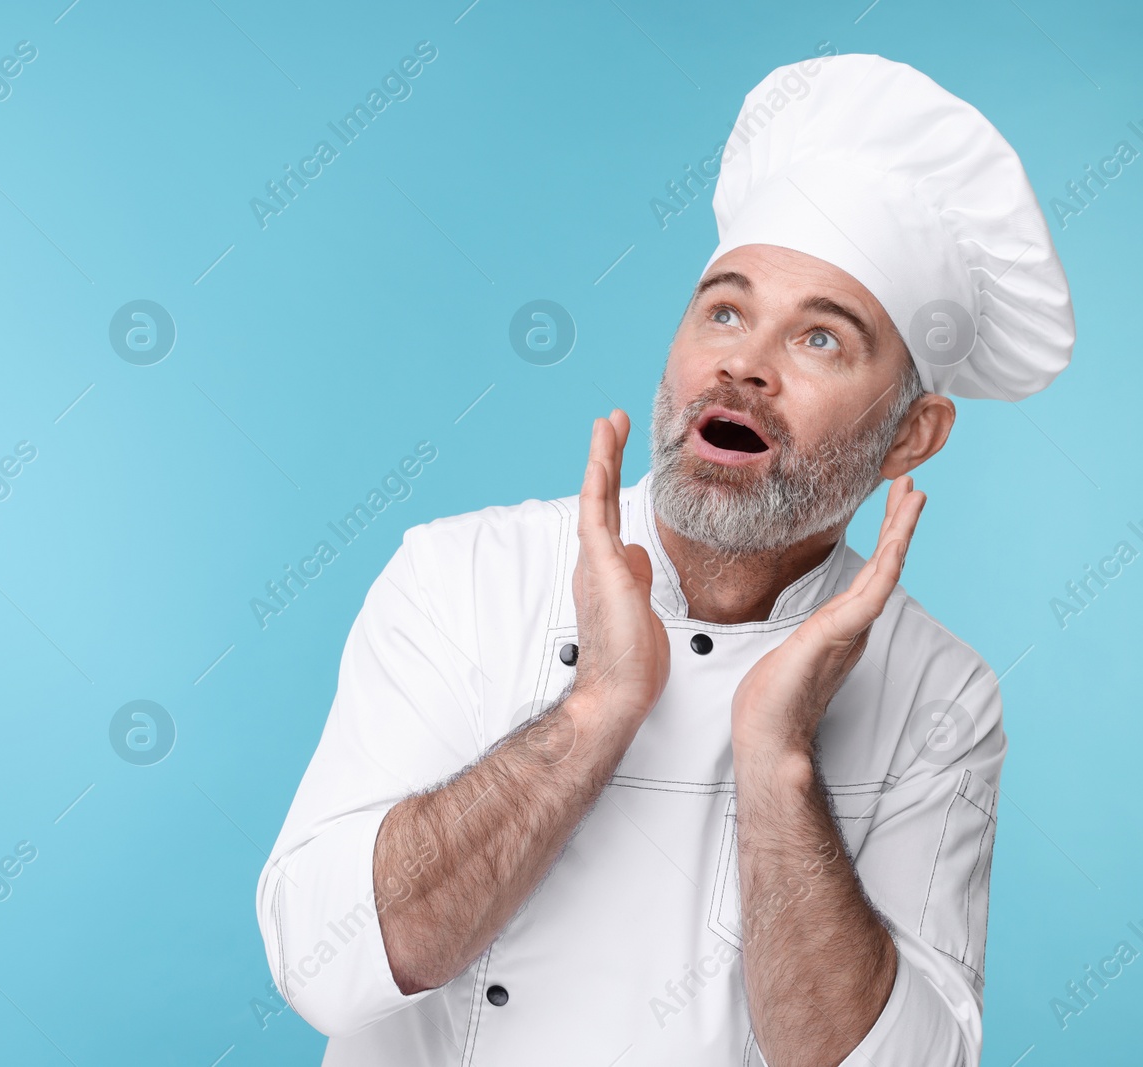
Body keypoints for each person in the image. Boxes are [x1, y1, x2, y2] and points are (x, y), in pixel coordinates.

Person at [255, 53, 1074, 1065]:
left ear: (910, 437)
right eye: (724, 311)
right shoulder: (460, 576)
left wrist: (777, 760)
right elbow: (319, 964)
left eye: (820, 339)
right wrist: (596, 707)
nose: (743, 363)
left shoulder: (940, 695)